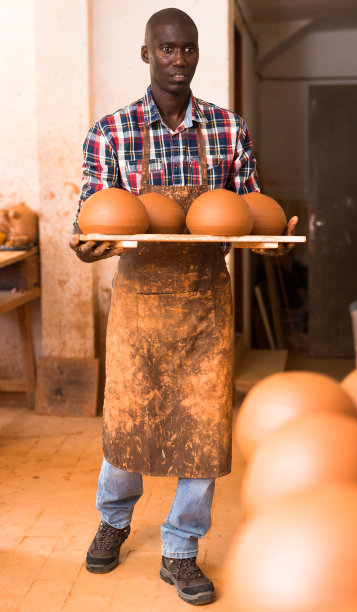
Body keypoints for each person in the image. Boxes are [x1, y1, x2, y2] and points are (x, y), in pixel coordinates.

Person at [70, 7, 297, 606]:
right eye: (166, 49)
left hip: (204, 305)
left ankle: (181, 548)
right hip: (139, 304)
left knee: (202, 427)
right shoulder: (111, 131)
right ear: (147, 54)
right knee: (127, 419)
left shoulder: (228, 129)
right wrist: (92, 245)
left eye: (188, 49)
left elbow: (249, 213)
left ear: (198, 54)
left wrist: (274, 237)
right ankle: (114, 520)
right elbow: (91, 224)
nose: (179, 59)